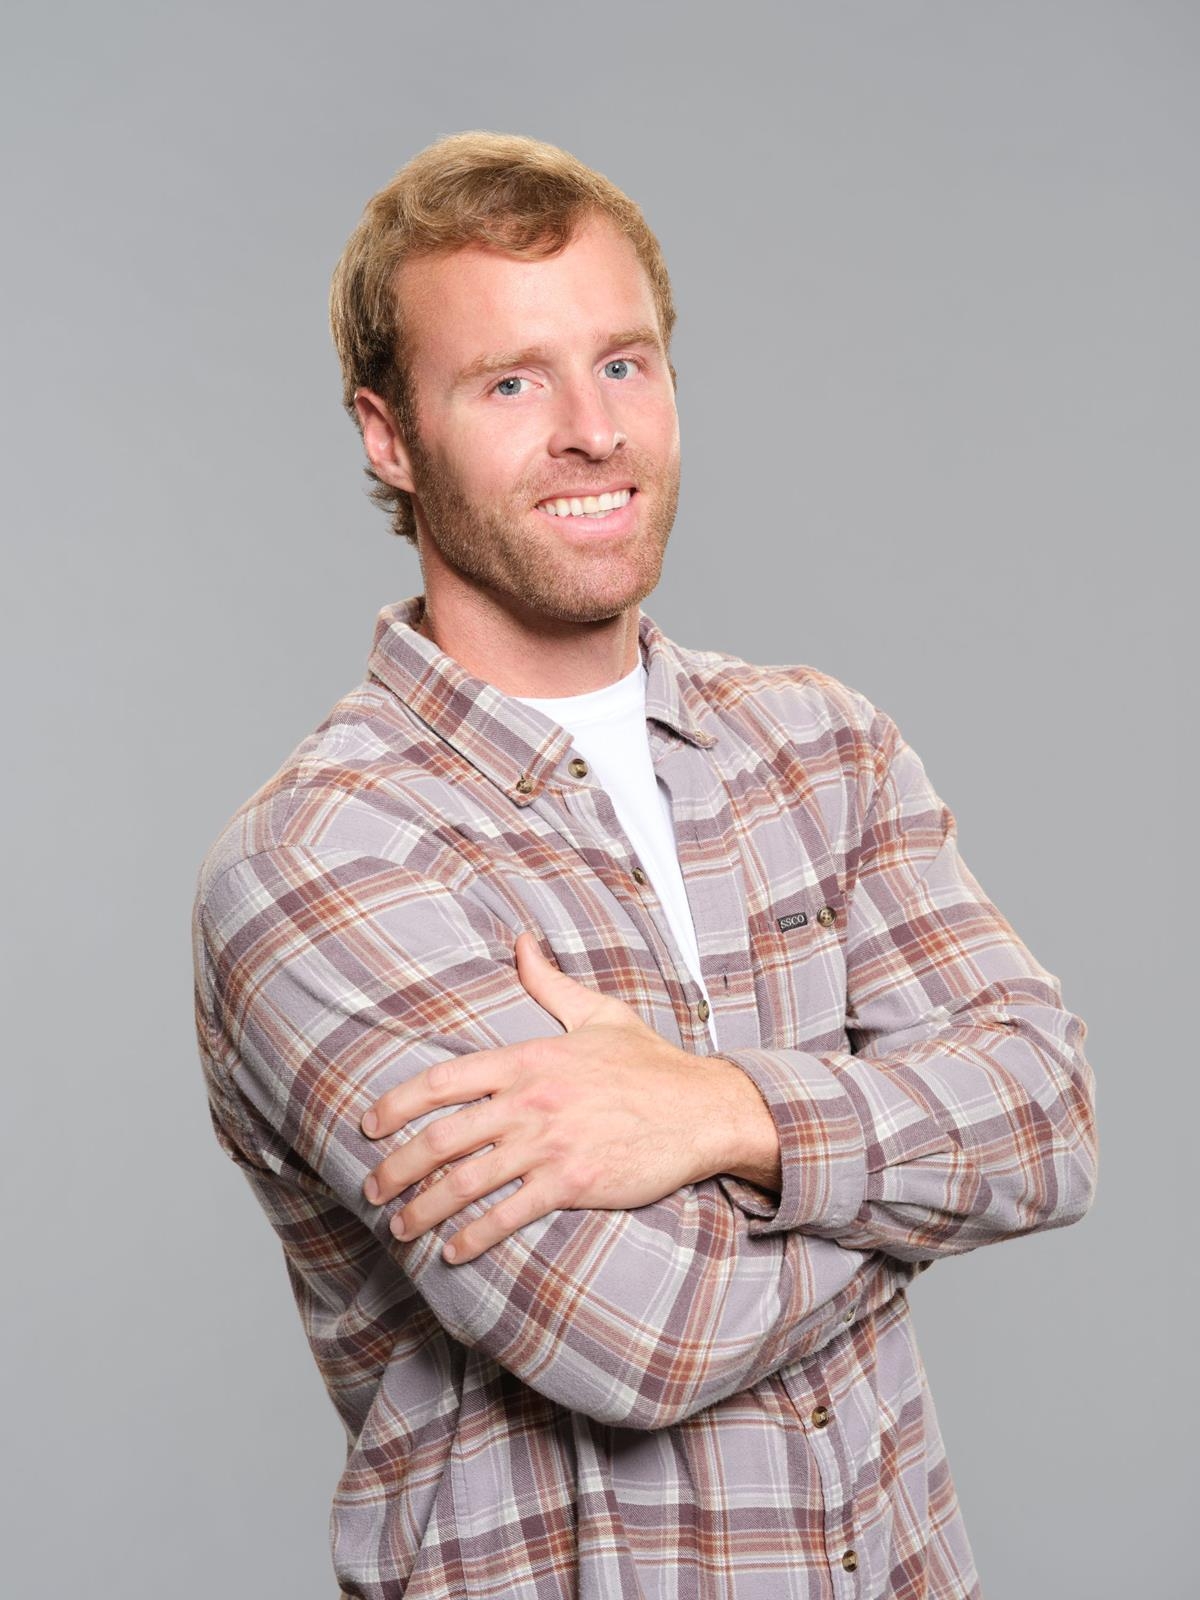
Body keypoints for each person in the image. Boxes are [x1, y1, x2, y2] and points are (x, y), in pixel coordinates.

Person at [192, 131, 1097, 1599]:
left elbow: (1051, 1111)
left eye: (624, 363)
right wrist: (927, 1175)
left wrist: (719, 1113)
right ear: (389, 436)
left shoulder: (822, 747)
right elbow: (640, 1332)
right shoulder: (317, 862)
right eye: (510, 383)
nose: (592, 430)